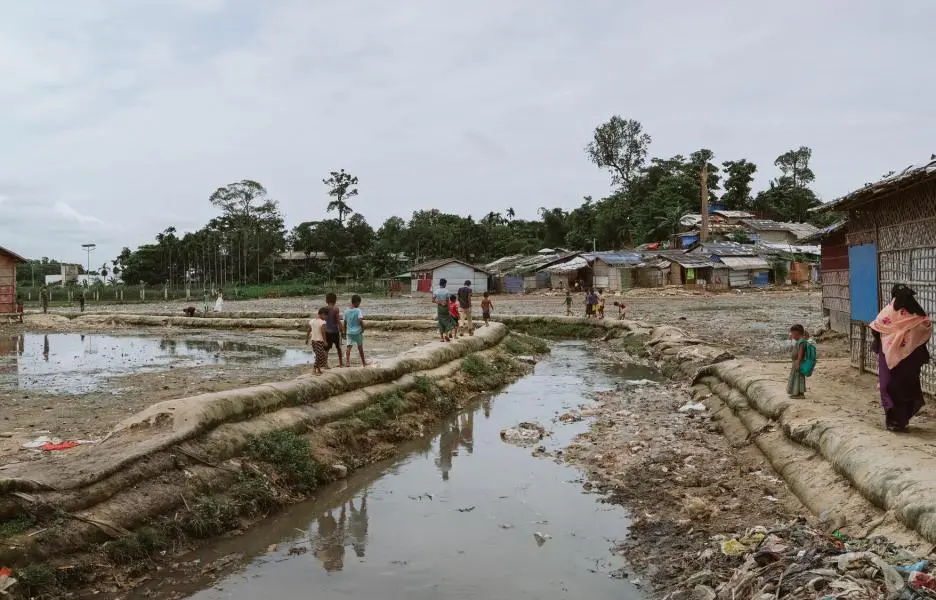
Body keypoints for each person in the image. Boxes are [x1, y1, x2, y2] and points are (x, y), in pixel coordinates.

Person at [871, 284, 933, 432]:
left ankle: (900, 421)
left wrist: (900, 339)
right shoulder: (890, 311)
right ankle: (894, 421)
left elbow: (924, 329)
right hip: (890, 357)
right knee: (890, 387)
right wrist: (895, 338)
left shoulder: (916, 316)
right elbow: (877, 327)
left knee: (900, 388)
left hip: (906, 360)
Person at [344, 294, 366, 367]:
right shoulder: (358, 310)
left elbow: (345, 322)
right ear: (356, 302)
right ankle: (363, 362)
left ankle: (347, 362)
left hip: (349, 332)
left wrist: (344, 332)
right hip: (358, 332)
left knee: (348, 347)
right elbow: (360, 320)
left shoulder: (346, 311)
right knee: (360, 347)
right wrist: (362, 328)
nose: (359, 304)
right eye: (359, 303)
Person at [787, 324, 808, 399]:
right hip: (796, 362)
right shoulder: (799, 341)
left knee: (798, 378)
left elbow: (800, 353)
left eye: (792, 334)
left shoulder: (801, 342)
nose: (791, 336)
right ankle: (797, 393)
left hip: (798, 362)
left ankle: (799, 394)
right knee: (797, 378)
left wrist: (798, 363)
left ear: (796, 333)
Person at [306, 307, 329, 374]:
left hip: (313, 341)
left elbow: (308, 330)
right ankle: (314, 369)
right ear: (322, 314)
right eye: (326, 316)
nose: (327, 317)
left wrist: (307, 339)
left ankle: (318, 369)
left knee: (318, 355)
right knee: (320, 355)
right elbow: (323, 332)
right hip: (319, 341)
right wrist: (325, 341)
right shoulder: (322, 322)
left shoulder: (312, 321)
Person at [324, 293, 344, 367]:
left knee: (326, 349)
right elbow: (338, 320)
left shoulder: (325, 309)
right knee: (338, 348)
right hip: (335, 331)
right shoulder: (336, 309)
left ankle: (326, 365)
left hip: (327, 331)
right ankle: (341, 364)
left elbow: (323, 321)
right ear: (335, 300)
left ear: (327, 300)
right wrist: (342, 330)